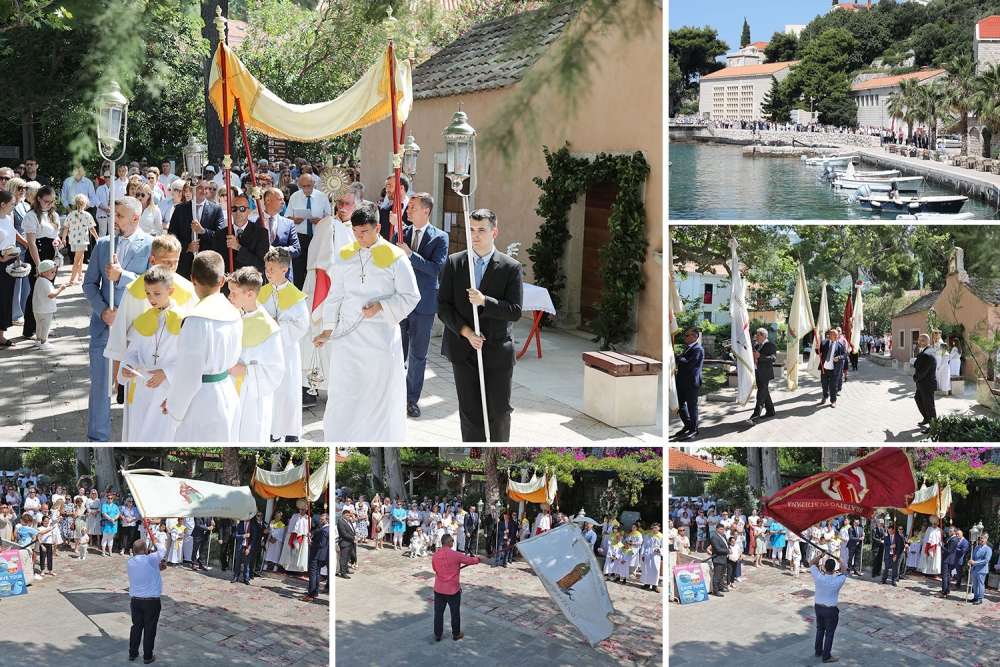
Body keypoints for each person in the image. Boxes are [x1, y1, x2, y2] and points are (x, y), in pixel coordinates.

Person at [312, 203, 420, 441]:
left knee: (376, 392)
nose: (360, 237)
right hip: (348, 338)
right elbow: (335, 295)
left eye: (365, 232)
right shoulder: (344, 256)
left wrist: (381, 306)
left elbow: (411, 296)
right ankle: (342, 439)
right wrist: (327, 331)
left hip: (380, 335)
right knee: (345, 391)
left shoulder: (396, 257)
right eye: (356, 232)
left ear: (378, 227)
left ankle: (375, 439)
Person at [437, 208, 523, 441]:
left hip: (496, 350)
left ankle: (497, 453)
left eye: (481, 230)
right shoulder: (455, 263)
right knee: (470, 413)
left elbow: (515, 312)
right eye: (472, 230)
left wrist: (486, 301)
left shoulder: (510, 267)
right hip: (463, 350)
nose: (475, 235)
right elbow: (443, 306)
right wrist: (466, 332)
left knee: (499, 412)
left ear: (494, 232)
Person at [83, 196, 153, 440]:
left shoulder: (151, 245)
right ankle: (97, 438)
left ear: (136, 218)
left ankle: (137, 436)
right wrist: (103, 310)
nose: (114, 220)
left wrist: (122, 275)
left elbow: (153, 285)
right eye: (113, 214)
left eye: (120, 216)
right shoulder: (103, 244)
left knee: (138, 387)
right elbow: (89, 283)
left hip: (137, 329)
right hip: (105, 325)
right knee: (101, 387)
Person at [161, 251, 243, 441]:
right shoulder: (234, 312)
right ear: (223, 280)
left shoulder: (195, 320)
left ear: (193, 280)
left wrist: (174, 405)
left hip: (201, 404)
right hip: (228, 393)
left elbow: (188, 375)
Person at [393, 193, 448, 418]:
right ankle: (394, 395)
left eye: (413, 207)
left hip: (424, 304)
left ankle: (411, 399)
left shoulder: (440, 237)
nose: (408, 210)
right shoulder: (400, 233)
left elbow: (435, 269)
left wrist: (410, 254)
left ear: (426, 211)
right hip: (401, 302)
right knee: (397, 352)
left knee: (418, 355)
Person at [117, 266, 183, 441]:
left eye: (156, 293)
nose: (151, 299)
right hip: (142, 390)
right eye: (147, 294)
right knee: (138, 434)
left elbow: (190, 360)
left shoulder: (185, 322)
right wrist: (128, 366)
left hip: (165, 391)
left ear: (171, 291)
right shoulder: (144, 319)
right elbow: (133, 352)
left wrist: (167, 372)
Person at [225, 267, 284, 442]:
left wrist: (245, 370)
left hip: (251, 396)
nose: (230, 296)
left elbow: (276, 370)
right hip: (229, 389)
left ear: (250, 294)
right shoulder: (233, 316)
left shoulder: (268, 328)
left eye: (234, 293)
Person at [167, 176, 226, 280]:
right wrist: (187, 247)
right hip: (184, 265)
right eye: (200, 188)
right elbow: (171, 237)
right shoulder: (180, 209)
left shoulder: (216, 210)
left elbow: (219, 236)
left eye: (206, 188)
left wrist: (202, 231)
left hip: (206, 264)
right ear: (190, 189)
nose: (204, 191)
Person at [431, 533, 480, 642]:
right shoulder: (456, 555)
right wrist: (480, 559)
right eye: (452, 541)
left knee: (438, 612)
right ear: (449, 543)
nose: (453, 542)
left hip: (439, 589)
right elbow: (471, 561)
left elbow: (435, 569)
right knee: (455, 612)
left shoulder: (435, 555)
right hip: (452, 590)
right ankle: (456, 633)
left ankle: (438, 634)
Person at [285, 177, 328, 289]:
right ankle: (299, 292)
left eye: (309, 185)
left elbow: (329, 217)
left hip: (317, 236)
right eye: (303, 186)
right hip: (300, 236)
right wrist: (294, 220)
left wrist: (320, 221)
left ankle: (314, 291)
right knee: (298, 268)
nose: (306, 189)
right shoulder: (295, 197)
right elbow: (287, 217)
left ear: (314, 183)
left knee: (315, 267)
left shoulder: (322, 197)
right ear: (299, 185)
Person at [214, 194, 269, 278]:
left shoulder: (261, 233)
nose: (238, 212)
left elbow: (261, 265)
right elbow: (216, 264)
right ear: (230, 211)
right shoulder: (220, 234)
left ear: (249, 211)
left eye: (242, 209)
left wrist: (238, 247)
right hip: (228, 284)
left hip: (250, 284)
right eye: (234, 209)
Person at [810, 548, 848, 664]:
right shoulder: (837, 581)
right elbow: (845, 572)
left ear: (825, 567)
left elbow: (811, 563)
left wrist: (821, 556)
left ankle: (818, 650)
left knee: (820, 629)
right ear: (834, 569)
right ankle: (826, 656)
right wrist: (841, 562)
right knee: (829, 633)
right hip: (830, 610)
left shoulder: (818, 577)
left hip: (818, 607)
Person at [673, 328, 704, 441]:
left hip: (691, 382)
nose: (685, 337)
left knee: (692, 406)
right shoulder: (689, 347)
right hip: (682, 381)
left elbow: (690, 363)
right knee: (679, 405)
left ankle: (694, 430)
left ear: (695, 337)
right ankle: (688, 424)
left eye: (687, 335)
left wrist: (678, 357)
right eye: (685, 335)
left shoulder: (698, 349)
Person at [60, 193, 98, 284]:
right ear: (84, 203)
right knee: (77, 259)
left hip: (73, 240)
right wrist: (97, 237)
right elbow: (91, 228)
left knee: (80, 258)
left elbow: (66, 227)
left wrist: (64, 238)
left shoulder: (71, 214)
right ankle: (72, 279)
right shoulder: (87, 215)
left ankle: (80, 275)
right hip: (82, 240)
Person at [30, 259, 66, 350]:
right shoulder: (46, 283)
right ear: (44, 272)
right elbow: (51, 295)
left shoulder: (39, 280)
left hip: (37, 309)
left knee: (39, 325)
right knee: (46, 326)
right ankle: (44, 342)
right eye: (52, 272)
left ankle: (38, 340)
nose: (54, 274)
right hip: (46, 309)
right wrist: (60, 289)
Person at [746, 328, 777, 424]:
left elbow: (773, 358)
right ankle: (770, 411)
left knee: (760, 396)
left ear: (763, 336)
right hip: (757, 373)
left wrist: (760, 357)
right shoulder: (756, 345)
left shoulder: (770, 345)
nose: (756, 337)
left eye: (758, 335)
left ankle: (754, 418)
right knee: (764, 393)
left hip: (765, 374)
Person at [300, 513, 329, 602]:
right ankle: (315, 590)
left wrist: (311, 542)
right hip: (321, 555)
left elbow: (320, 544)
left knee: (312, 574)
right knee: (316, 573)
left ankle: (311, 594)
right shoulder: (326, 529)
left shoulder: (324, 530)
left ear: (327, 520)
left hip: (316, 555)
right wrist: (311, 537)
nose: (320, 521)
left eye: (322, 519)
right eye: (320, 519)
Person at [913, 333, 937, 432]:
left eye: (920, 340)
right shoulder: (927, 350)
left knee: (929, 405)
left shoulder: (927, 354)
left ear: (925, 341)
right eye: (918, 340)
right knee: (918, 398)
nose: (918, 342)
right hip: (923, 383)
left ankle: (933, 426)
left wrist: (915, 377)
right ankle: (927, 418)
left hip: (926, 384)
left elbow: (922, 370)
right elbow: (917, 364)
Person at [819, 329, 847, 408]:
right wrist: (816, 348)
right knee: (824, 385)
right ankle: (825, 396)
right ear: (830, 335)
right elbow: (818, 352)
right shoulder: (824, 342)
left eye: (837, 335)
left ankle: (833, 400)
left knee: (833, 386)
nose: (836, 336)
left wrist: (839, 357)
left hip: (834, 370)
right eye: (834, 335)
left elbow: (845, 354)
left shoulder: (840, 344)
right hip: (824, 369)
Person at [968, 531, 991, 605]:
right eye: (980, 540)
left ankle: (980, 598)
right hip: (975, 568)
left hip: (982, 569)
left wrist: (976, 563)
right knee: (975, 584)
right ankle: (976, 596)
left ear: (985, 541)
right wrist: (972, 562)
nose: (980, 542)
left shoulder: (988, 549)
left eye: (982, 541)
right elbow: (974, 556)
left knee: (981, 584)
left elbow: (986, 560)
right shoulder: (977, 547)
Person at [935, 526, 959, 599]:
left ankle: (944, 592)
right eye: (949, 531)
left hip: (947, 559)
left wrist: (941, 546)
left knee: (945, 575)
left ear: (955, 532)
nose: (950, 532)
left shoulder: (954, 539)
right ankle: (947, 589)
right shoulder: (952, 539)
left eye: (951, 531)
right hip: (949, 559)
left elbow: (948, 550)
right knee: (948, 575)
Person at [708, 523, 730, 596]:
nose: (722, 531)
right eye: (721, 529)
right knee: (717, 575)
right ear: (717, 529)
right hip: (718, 559)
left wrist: (728, 549)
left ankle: (720, 586)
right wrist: (728, 551)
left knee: (722, 574)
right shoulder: (714, 537)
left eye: (723, 529)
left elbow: (725, 545)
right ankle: (716, 590)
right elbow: (717, 549)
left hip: (724, 558)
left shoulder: (723, 536)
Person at [640, 522, 662, 592]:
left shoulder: (661, 536)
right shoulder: (648, 535)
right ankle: (647, 583)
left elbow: (663, 547)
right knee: (647, 568)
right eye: (653, 527)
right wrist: (643, 554)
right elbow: (644, 546)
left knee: (656, 569)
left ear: (659, 528)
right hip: (648, 553)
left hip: (656, 555)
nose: (654, 529)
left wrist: (660, 550)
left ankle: (654, 585)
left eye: (656, 528)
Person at [336, 507, 356, 579]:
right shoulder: (341, 522)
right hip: (344, 542)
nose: (348, 517)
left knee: (348, 557)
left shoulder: (349, 521)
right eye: (347, 515)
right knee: (343, 558)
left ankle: (346, 569)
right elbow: (344, 533)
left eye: (349, 515)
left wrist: (354, 535)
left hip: (350, 542)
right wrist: (353, 537)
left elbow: (352, 530)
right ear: (343, 515)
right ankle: (343, 572)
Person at [232, 517, 253, 584]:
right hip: (240, 546)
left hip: (247, 548)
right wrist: (244, 535)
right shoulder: (240, 525)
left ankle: (245, 578)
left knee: (247, 564)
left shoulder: (252, 525)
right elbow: (236, 535)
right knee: (238, 562)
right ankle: (236, 577)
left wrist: (249, 548)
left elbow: (254, 538)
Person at [100, 491, 120, 557]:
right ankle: (103, 551)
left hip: (113, 523)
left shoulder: (115, 506)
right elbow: (104, 513)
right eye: (109, 498)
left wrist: (114, 519)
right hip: (106, 523)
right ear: (107, 498)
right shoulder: (104, 505)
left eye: (111, 498)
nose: (110, 499)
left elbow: (118, 513)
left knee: (111, 538)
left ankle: (110, 551)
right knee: (105, 537)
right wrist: (110, 519)